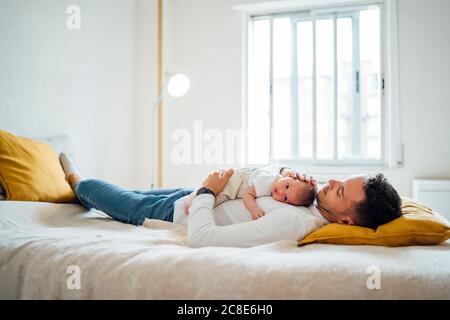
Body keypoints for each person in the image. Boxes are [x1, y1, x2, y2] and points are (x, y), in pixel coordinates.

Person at [59, 153, 402, 248]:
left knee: (125, 203)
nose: (334, 182)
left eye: (342, 190)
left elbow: (202, 238)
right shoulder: (315, 200)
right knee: (128, 190)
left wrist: (208, 191)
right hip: (193, 195)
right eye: (342, 179)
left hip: (183, 212)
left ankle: (76, 183)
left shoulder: (295, 223)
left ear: (347, 221)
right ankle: (79, 190)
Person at [183, 166, 317, 220]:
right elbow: (248, 195)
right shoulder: (267, 181)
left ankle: (192, 199)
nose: (281, 192)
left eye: (286, 198)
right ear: (290, 176)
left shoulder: (277, 181)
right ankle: (192, 203)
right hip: (237, 182)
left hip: (242, 179)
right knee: (221, 196)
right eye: (287, 185)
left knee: (218, 194)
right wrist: (254, 209)